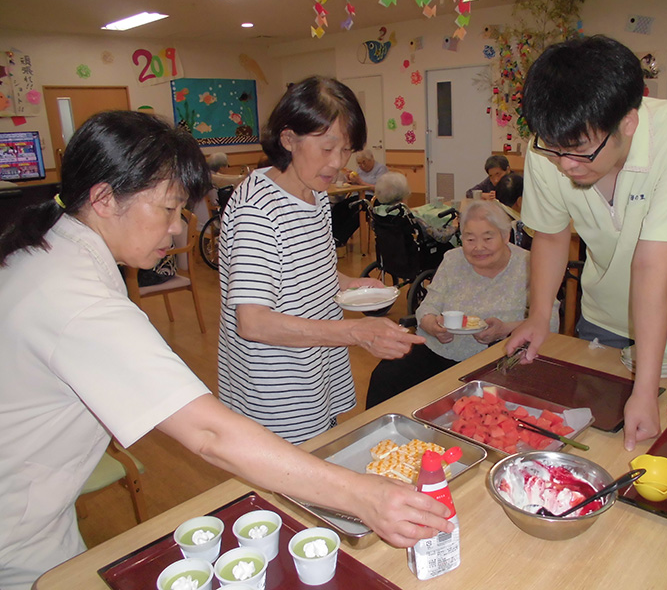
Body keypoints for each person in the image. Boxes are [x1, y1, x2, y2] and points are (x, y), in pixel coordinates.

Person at [0, 110, 451, 590]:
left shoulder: (53, 250)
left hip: (37, 511)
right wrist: (365, 496)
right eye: (168, 210)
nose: (178, 230)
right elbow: (209, 433)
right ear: (104, 198)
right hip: (17, 529)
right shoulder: (76, 298)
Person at [507, 35, 667, 451]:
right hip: (602, 319)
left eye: (580, 151)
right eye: (554, 150)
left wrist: (643, 390)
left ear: (628, 122)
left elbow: (650, 266)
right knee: (597, 445)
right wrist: (539, 315)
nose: (566, 165)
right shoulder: (548, 148)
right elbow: (552, 236)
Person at [217, 77, 424, 445]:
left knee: (323, 447)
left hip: (316, 367)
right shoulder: (258, 211)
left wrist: (351, 283)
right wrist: (356, 333)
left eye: (346, 150)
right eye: (327, 147)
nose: (337, 163)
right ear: (288, 139)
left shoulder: (313, 194)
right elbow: (253, 321)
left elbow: (307, 268)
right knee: (297, 468)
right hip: (278, 389)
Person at [366, 201, 559, 408]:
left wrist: (505, 329)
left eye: (488, 238)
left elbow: (551, 321)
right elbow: (427, 307)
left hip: (499, 355)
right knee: (386, 376)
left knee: (481, 403)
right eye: (470, 239)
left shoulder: (529, 264)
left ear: (505, 236)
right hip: (440, 350)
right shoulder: (452, 259)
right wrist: (432, 325)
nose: (478, 247)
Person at [373, 171, 458, 245]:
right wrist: (454, 226)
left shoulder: (377, 212)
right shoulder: (411, 218)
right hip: (415, 254)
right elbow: (441, 237)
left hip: (390, 254)